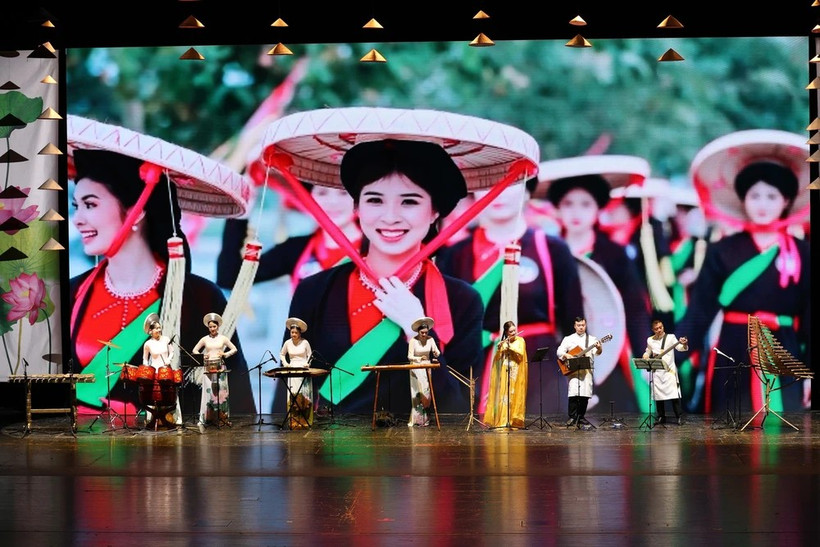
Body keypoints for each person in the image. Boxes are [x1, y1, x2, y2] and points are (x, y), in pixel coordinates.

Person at [67, 116, 255, 421]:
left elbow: (233, 405)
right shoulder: (72, 294)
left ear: (137, 211)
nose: (77, 220)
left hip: (168, 460)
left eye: (90, 205)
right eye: (77, 207)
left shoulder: (199, 298)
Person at [677, 130, 811, 417]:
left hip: (784, 353)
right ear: (743, 199)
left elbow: (813, 316)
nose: (762, 204)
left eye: (771, 196)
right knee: (730, 434)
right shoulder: (721, 250)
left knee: (784, 439)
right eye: (755, 195)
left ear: (786, 200)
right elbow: (699, 314)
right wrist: (668, 359)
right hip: (733, 349)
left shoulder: (804, 252)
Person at [436, 177, 584, 415]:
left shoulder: (551, 248)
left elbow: (574, 323)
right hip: (475, 371)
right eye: (488, 183)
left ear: (528, 192)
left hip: (541, 371)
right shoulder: (454, 255)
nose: (498, 193)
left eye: (509, 184)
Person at [540, 157, 653, 413]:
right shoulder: (544, 252)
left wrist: (646, 359)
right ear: (556, 208)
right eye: (568, 204)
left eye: (585, 204)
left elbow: (635, 309)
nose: (576, 212)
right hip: (556, 352)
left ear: (598, 209)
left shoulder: (615, 254)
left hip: (606, 352)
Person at [192, 312, 238, 427]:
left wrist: (225, 354)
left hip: (220, 367)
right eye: (210, 327)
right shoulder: (205, 339)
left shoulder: (223, 338)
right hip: (208, 367)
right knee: (208, 392)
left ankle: (223, 417)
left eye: (214, 326)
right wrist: (203, 356)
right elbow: (195, 350)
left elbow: (234, 349)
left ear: (218, 327)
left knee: (221, 392)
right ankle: (207, 417)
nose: (212, 328)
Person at [556, 316, 602, 427]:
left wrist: (599, 347)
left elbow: (598, 352)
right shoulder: (568, 338)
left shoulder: (592, 339)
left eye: (583, 325)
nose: (581, 327)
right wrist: (567, 355)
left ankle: (581, 417)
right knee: (573, 393)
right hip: (573, 371)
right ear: (575, 326)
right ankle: (572, 417)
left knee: (585, 394)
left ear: (585, 325)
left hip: (586, 371)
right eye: (578, 325)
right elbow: (559, 351)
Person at [483, 320, 528, 429]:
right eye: (511, 332)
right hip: (506, 369)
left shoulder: (520, 340)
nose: (513, 333)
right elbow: (498, 358)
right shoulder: (504, 342)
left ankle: (514, 420)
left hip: (516, 371)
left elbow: (520, 352)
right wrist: (499, 348)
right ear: (507, 333)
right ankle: (504, 420)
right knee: (505, 395)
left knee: (514, 394)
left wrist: (509, 347)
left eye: (514, 331)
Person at [642, 319, 688, 425]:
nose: (659, 330)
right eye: (657, 328)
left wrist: (685, 344)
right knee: (658, 396)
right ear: (653, 330)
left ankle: (679, 416)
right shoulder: (650, 340)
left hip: (669, 372)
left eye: (661, 327)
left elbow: (681, 348)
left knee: (674, 395)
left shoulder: (671, 338)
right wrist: (646, 355)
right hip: (657, 372)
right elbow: (649, 350)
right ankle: (661, 417)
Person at [279, 317, 314, 428]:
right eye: (292, 332)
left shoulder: (305, 342)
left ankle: (305, 420)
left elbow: (310, 355)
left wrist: (308, 363)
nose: (293, 334)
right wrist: (286, 364)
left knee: (303, 393)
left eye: (295, 333)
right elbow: (282, 354)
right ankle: (294, 420)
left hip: (303, 368)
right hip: (292, 368)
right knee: (293, 393)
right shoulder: (288, 343)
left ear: (299, 333)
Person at [407, 317, 441, 427]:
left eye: (426, 332)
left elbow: (436, 351)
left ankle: (425, 418)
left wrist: (436, 353)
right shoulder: (413, 341)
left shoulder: (430, 340)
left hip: (427, 365)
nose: (424, 335)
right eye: (422, 332)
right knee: (418, 392)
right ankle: (417, 419)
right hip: (416, 366)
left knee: (427, 391)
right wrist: (418, 359)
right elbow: (409, 356)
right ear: (418, 331)